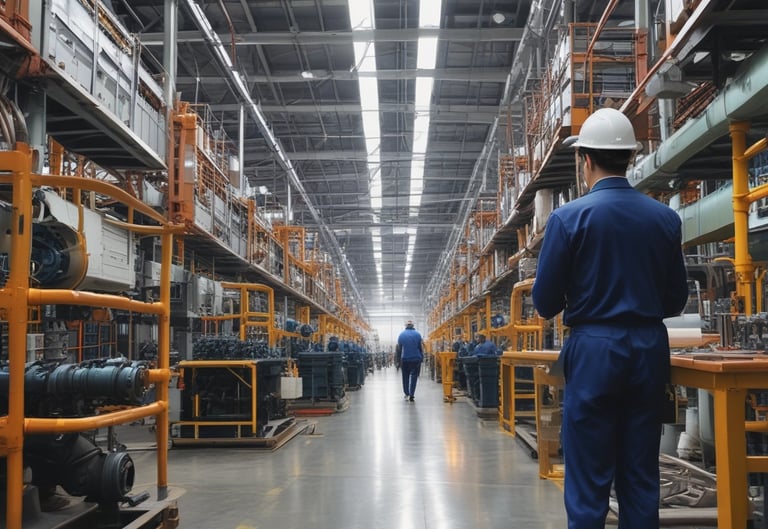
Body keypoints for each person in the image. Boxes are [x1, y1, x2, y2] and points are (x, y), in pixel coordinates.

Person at [531, 107, 689, 529]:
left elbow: (545, 302)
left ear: (586, 160)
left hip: (595, 351)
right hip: (648, 351)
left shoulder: (568, 219)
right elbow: (676, 300)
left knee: (588, 477)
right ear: (630, 158)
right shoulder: (665, 219)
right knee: (640, 475)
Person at [396, 320, 424, 402]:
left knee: (405, 376)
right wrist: (422, 356)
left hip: (405, 359)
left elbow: (399, 349)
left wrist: (398, 361)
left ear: (406, 326)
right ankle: (412, 394)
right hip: (416, 358)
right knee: (414, 376)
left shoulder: (401, 335)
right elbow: (420, 347)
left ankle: (406, 393)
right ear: (413, 325)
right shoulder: (418, 335)